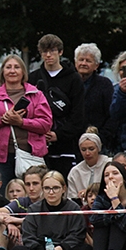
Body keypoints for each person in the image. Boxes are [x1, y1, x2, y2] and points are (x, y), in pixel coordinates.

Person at [0, 55, 52, 190]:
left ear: (23, 72)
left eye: (16, 67)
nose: (12, 71)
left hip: (30, 155)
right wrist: (2, 120)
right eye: (8, 67)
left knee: (32, 195)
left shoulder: (36, 94)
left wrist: (21, 122)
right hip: (0, 158)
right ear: (2, 72)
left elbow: (46, 124)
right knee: (3, 196)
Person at [11, 171, 92, 250]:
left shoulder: (73, 208)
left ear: (63, 189)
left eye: (55, 188)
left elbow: (77, 234)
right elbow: (28, 236)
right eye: (47, 188)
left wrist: (62, 248)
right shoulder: (34, 209)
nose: (51, 192)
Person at [28, 34, 85, 177]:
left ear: (60, 52)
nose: (48, 55)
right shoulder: (33, 78)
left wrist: (58, 134)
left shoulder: (74, 78)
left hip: (67, 144)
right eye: (44, 51)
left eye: (52, 50)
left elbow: (78, 113)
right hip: (38, 143)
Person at [0, 165, 48, 250]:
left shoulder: (49, 201)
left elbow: (43, 223)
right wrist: (8, 223)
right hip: (19, 242)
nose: (31, 188)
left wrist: (16, 221)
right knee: (0, 224)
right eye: (28, 184)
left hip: (42, 244)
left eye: (35, 184)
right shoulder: (21, 202)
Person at [75, 43, 116, 152]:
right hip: (72, 142)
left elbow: (111, 115)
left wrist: (101, 137)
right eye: (81, 60)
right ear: (75, 62)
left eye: (88, 61)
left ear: (96, 65)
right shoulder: (69, 83)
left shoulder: (104, 84)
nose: (83, 63)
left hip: (98, 142)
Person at [66, 129, 110, 201]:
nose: (87, 153)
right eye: (83, 150)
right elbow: (72, 199)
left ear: (98, 148)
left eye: (91, 149)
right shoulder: (75, 172)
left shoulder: (109, 164)